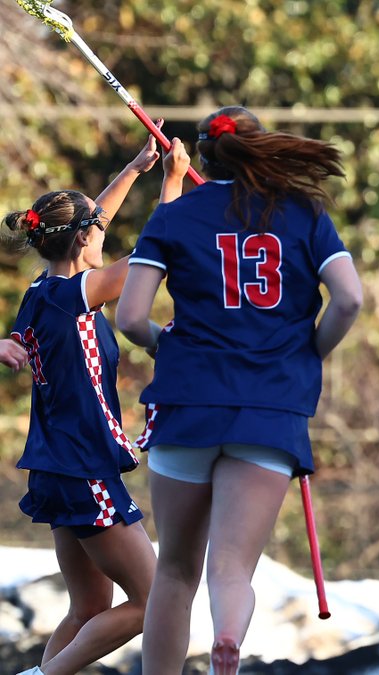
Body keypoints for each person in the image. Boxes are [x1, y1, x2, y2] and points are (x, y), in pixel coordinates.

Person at [115, 106, 362, 675]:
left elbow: (129, 317)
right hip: (270, 410)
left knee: (175, 570)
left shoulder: (173, 216)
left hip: (186, 404)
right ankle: (227, 636)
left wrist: (160, 344)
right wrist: (310, 352)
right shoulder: (303, 211)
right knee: (231, 569)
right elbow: (349, 298)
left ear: (202, 157)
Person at [6, 134, 173, 675]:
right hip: (83, 468)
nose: (104, 227)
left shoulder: (41, 292)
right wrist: (172, 182)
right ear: (82, 238)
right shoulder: (75, 297)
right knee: (152, 601)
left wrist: (135, 168)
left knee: (89, 608)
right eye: (97, 226)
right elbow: (154, 254)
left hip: (58, 466)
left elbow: (91, 220)